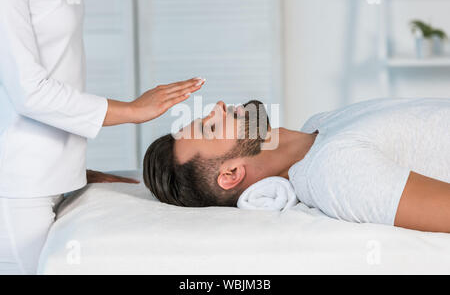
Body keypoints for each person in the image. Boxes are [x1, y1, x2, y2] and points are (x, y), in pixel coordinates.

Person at [0, 0, 204, 274]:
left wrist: (68, 166)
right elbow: (29, 92)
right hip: (19, 186)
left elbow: (53, 73)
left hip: (47, 178)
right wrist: (133, 110)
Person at [143, 98, 450, 233]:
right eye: (210, 129)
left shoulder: (317, 125)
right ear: (232, 173)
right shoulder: (334, 171)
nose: (218, 108)